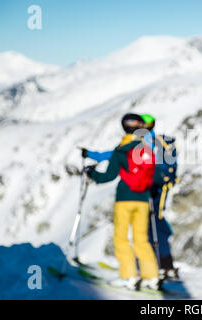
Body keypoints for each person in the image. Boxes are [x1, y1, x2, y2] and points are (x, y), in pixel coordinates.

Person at [84, 113, 160, 290]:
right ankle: (152, 276)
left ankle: (128, 276)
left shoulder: (121, 150)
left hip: (124, 199)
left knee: (121, 238)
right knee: (141, 239)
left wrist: (91, 173)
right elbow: (155, 176)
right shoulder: (146, 149)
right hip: (143, 200)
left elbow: (108, 177)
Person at [140, 114, 180, 280]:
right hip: (151, 187)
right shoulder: (144, 142)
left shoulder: (157, 142)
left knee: (156, 220)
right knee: (151, 222)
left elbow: (167, 166)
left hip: (159, 188)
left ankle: (165, 264)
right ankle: (162, 264)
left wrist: (163, 179)